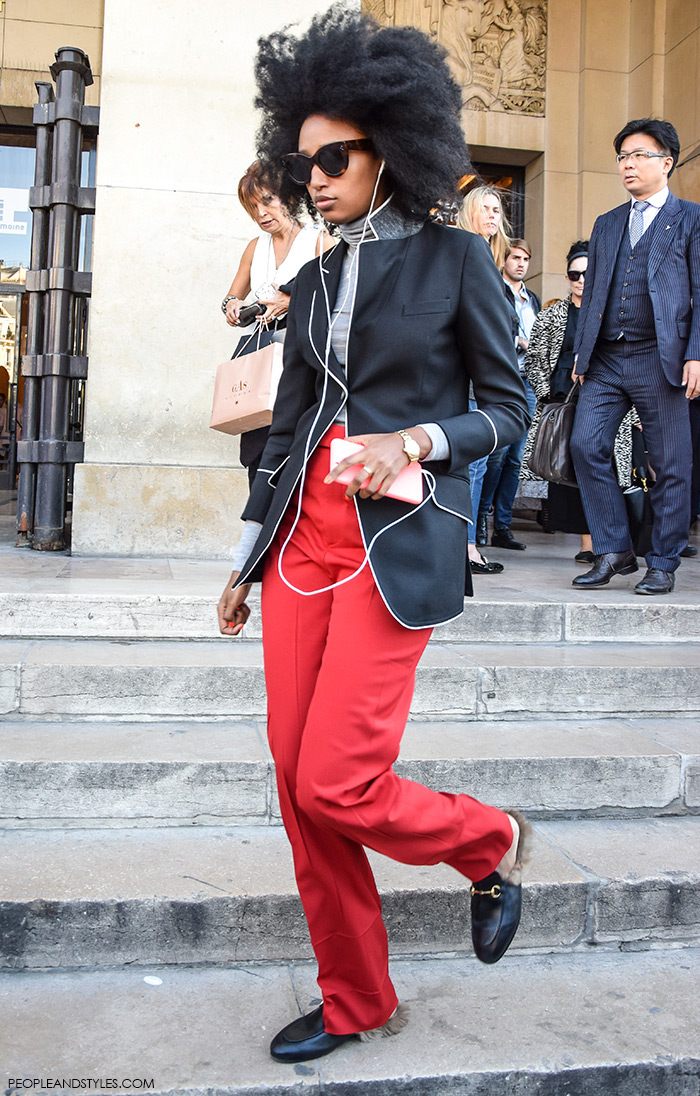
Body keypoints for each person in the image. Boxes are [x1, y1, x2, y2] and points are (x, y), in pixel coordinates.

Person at [217, 6, 531, 1065]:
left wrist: (422, 439)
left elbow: (510, 409)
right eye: (302, 160)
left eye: (335, 155)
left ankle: (486, 840)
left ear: (390, 145)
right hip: (302, 550)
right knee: (296, 790)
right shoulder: (310, 276)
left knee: (338, 780)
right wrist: (246, 558)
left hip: (393, 551)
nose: (315, 175)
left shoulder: (455, 261)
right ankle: (355, 998)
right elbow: (287, 429)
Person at [571, 117, 700, 594]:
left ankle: (662, 561)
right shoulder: (606, 224)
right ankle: (613, 548)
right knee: (585, 446)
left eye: (638, 155)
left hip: (661, 356)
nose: (627, 164)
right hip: (605, 358)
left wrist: (697, 354)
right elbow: (595, 294)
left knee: (670, 463)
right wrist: (581, 358)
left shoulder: (691, 218)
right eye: (622, 156)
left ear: (666, 162)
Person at [521, 241, 635, 561]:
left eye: (587, 273)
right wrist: (547, 394)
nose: (581, 280)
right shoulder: (551, 315)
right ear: (568, 276)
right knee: (570, 475)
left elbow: (629, 362)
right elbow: (534, 361)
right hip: (564, 406)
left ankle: (606, 543)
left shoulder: (613, 314)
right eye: (574, 274)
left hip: (606, 406)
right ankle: (588, 545)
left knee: (602, 474)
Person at [221, 161, 331, 484]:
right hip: (261, 356)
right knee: (259, 448)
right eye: (253, 207)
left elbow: (339, 301)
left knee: (297, 447)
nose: (261, 213)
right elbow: (230, 297)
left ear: (289, 197)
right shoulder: (255, 248)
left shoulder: (319, 241)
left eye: (267, 201)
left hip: (302, 356)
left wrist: (291, 301)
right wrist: (232, 306)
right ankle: (259, 527)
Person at [456, 185, 512, 573]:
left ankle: (465, 542)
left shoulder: (492, 262)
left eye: (497, 210)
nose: (492, 216)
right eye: (485, 208)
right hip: (465, 377)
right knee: (472, 465)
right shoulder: (460, 251)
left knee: (479, 464)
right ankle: (466, 546)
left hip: (484, 378)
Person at [477, 238, 540, 550]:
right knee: (495, 455)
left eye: (526, 259)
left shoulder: (534, 301)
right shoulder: (493, 290)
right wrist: (516, 339)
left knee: (516, 458)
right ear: (504, 260)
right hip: (501, 380)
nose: (520, 264)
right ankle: (480, 521)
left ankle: (503, 527)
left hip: (527, 383)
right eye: (515, 257)